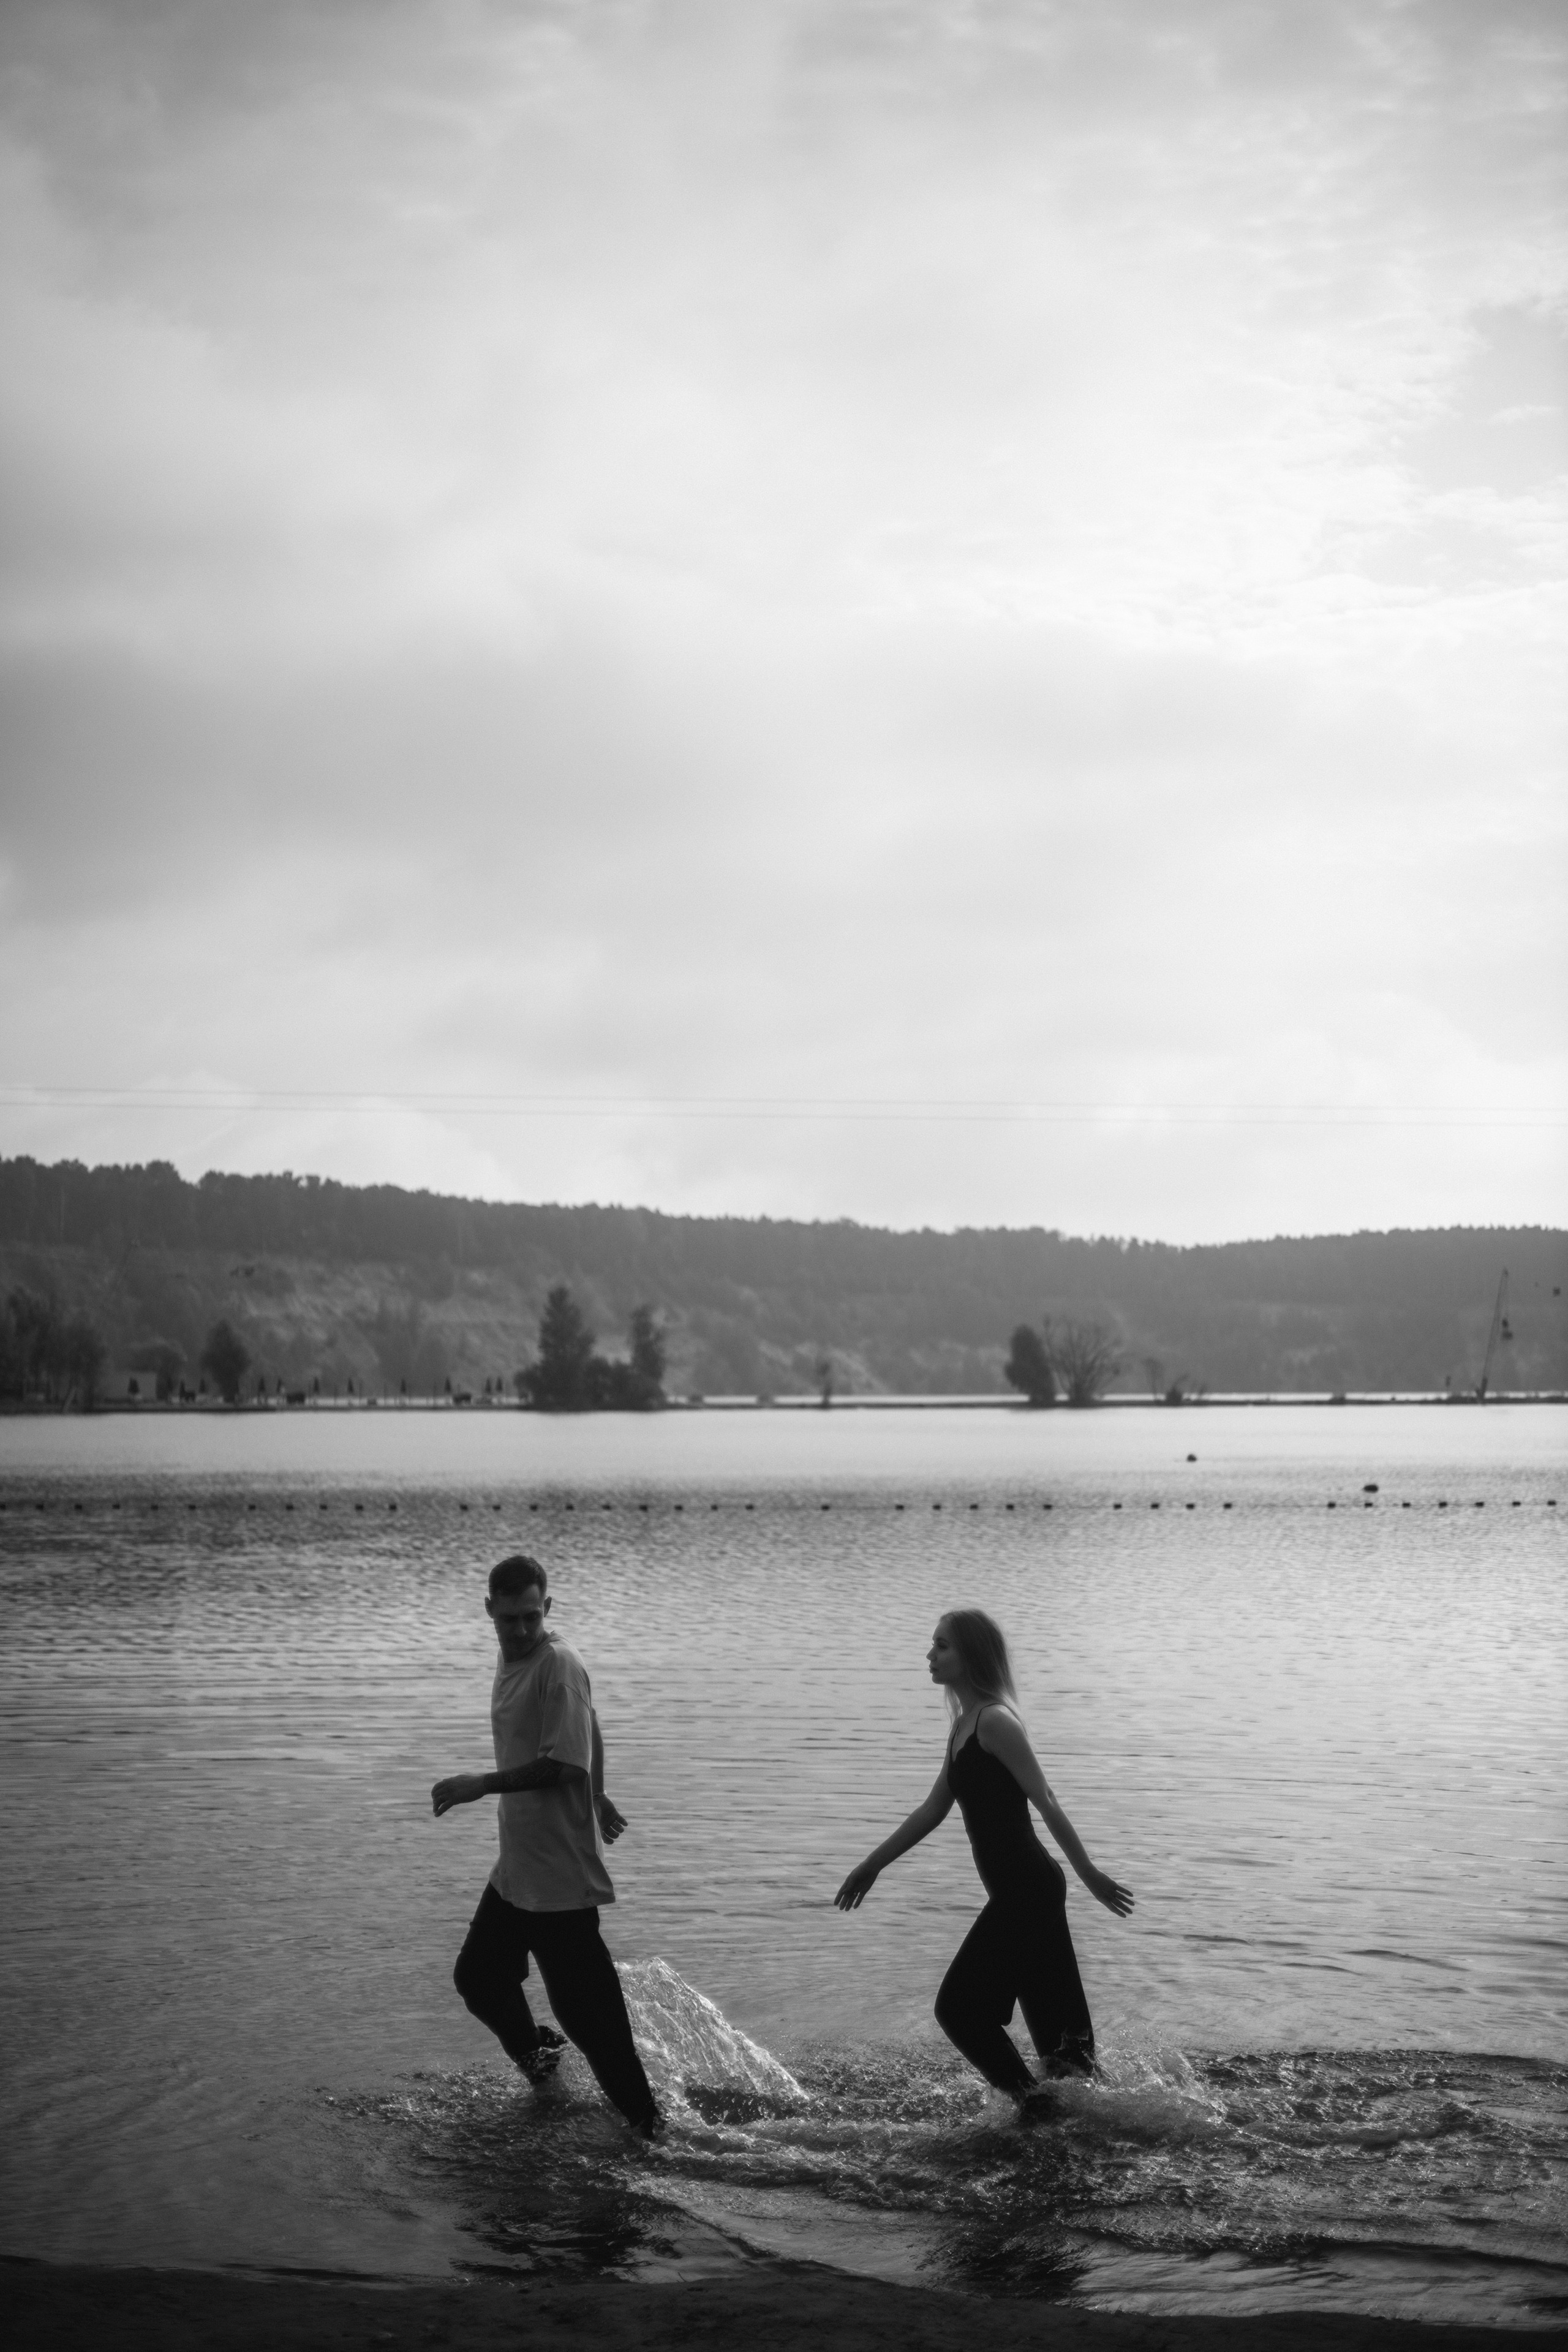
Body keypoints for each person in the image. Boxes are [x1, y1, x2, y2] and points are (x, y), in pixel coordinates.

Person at [834, 1608, 1133, 2110]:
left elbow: (1047, 1799)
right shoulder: (962, 1727)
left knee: (958, 2008)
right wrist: (873, 1864)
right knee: (1065, 2051)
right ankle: (1093, 2123)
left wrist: (1088, 1874)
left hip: (1029, 1890)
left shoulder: (995, 1721)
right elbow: (933, 1808)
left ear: (971, 1655)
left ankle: (1034, 2109)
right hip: (1021, 1892)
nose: (930, 1654)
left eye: (942, 1645)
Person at [431, 1553, 662, 2136]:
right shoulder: (517, 1660)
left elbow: (561, 1762)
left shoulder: (557, 1663)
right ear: (490, 1611)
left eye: (532, 1618)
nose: (521, 1630)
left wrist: (481, 1784)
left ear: (548, 1608)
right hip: (517, 1874)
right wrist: (601, 1794)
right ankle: (543, 2063)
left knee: (601, 2037)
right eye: (509, 1619)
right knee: (479, 1979)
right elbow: (591, 1724)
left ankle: (658, 2142)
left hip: (559, 1885)